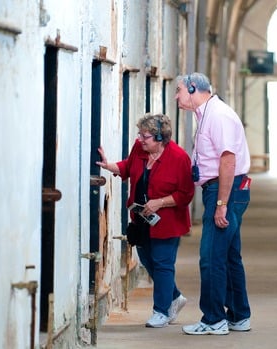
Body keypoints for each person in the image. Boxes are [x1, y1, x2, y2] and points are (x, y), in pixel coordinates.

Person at [96, 113, 195, 328]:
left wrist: (159, 202)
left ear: (160, 137)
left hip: (167, 221)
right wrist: (109, 165)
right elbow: (128, 167)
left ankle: (161, 311)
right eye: (140, 135)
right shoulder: (140, 150)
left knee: (162, 264)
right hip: (140, 219)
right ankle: (175, 297)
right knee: (148, 261)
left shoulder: (179, 158)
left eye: (146, 136)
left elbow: (186, 194)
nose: (141, 140)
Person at [175, 72, 252, 335]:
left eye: (179, 91)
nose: (176, 96)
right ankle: (239, 315)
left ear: (194, 88)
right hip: (222, 189)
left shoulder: (218, 115)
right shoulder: (206, 114)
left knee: (210, 258)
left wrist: (221, 203)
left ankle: (213, 319)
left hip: (224, 189)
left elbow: (228, 160)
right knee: (229, 257)